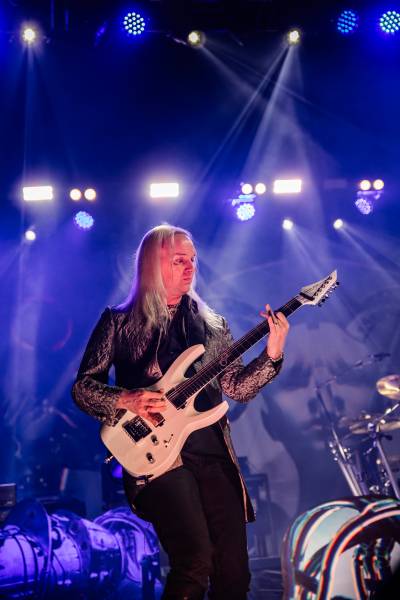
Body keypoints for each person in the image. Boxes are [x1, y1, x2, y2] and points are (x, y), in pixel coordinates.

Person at [72, 224, 289, 600]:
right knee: (194, 562)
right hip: (156, 458)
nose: (190, 267)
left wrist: (273, 353)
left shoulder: (212, 324)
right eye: (179, 260)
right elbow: (83, 388)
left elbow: (236, 388)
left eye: (192, 259)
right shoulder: (119, 322)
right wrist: (129, 399)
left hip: (212, 453)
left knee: (234, 573)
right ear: (152, 264)